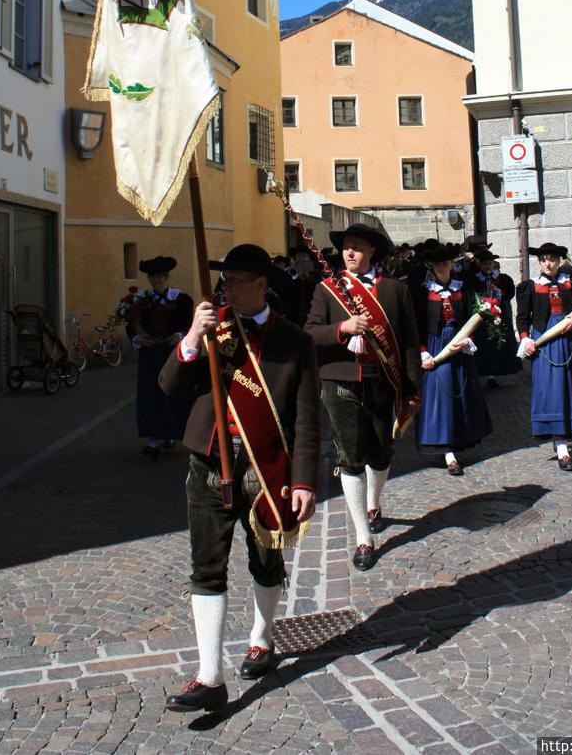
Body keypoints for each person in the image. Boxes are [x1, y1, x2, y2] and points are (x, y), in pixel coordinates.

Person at [159, 244, 319, 714]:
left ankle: (262, 638)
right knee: (206, 567)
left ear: (260, 285)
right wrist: (191, 337)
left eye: (233, 280)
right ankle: (210, 677)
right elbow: (169, 385)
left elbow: (307, 419)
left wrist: (305, 480)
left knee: (265, 562)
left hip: (264, 469)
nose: (224, 287)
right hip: (208, 461)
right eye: (222, 278)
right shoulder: (213, 327)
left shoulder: (295, 341)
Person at [305, 223, 421, 570]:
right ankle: (363, 537)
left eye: (357, 247)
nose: (349, 253)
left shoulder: (395, 290)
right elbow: (309, 333)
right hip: (339, 382)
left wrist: (412, 389)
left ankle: (374, 501)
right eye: (346, 247)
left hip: (383, 381)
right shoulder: (327, 290)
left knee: (381, 452)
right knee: (350, 457)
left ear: (372, 252)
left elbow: (410, 342)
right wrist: (342, 328)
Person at [516, 243, 572, 472]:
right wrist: (526, 339)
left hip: (569, 343)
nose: (548, 263)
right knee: (553, 392)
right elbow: (522, 319)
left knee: (571, 390)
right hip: (546, 344)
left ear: (559, 260)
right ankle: (561, 447)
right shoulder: (531, 287)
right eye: (544, 259)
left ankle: (567, 436)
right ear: (539, 262)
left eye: (552, 259)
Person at [412, 242, 491, 474]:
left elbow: (471, 318)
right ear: (432, 266)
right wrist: (423, 351)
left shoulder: (462, 289)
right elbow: (416, 323)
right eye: (437, 264)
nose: (441, 268)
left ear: (451, 265)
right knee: (441, 396)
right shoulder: (423, 292)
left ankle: (459, 438)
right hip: (436, 346)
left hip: (458, 344)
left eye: (445, 264)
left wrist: (469, 339)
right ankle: (447, 451)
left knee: (461, 392)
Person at [128, 256, 193, 458]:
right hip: (151, 353)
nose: (158, 280)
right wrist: (139, 338)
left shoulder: (181, 300)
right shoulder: (141, 301)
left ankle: (173, 435)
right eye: (154, 277)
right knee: (151, 394)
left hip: (172, 352)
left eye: (161, 276)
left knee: (174, 393)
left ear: (167, 277)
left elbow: (187, 324)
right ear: (150, 279)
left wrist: (180, 335)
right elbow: (131, 326)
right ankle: (153, 440)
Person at [466, 247, 519, 382]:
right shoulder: (474, 279)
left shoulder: (502, 278)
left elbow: (510, 293)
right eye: (485, 264)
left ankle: (501, 368)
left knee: (500, 341)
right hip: (483, 316)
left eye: (490, 263)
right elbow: (470, 295)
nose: (488, 266)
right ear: (480, 265)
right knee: (485, 343)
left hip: (499, 314)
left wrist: (499, 292)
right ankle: (488, 373)